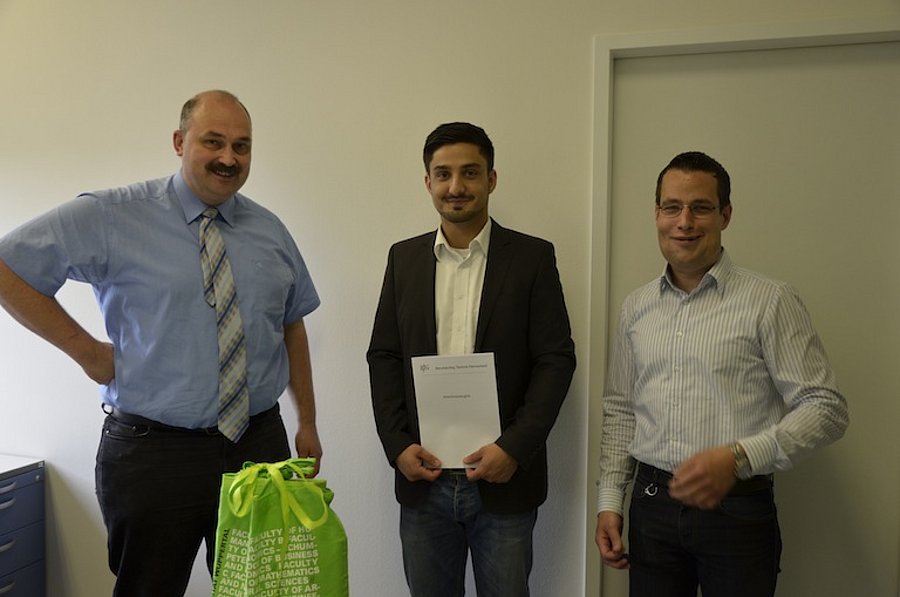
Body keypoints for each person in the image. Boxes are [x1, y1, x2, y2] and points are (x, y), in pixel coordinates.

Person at [0, 90, 322, 596]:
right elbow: (8, 268)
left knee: (263, 589)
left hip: (258, 445)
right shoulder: (113, 215)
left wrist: (308, 422)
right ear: (179, 141)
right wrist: (87, 353)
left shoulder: (270, 230)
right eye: (213, 141)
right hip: (154, 454)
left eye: (241, 146)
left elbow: (292, 323)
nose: (228, 157)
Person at [595, 151, 849, 596]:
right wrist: (610, 501)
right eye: (672, 207)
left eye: (701, 208)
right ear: (656, 213)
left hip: (737, 511)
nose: (684, 222)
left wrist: (738, 457)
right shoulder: (636, 307)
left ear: (725, 215)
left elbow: (826, 409)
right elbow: (621, 409)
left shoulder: (770, 300)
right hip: (651, 508)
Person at [367, 122, 576, 597]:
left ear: (491, 179)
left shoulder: (532, 258)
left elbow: (555, 360)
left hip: (504, 480)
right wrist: (398, 445)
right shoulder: (403, 259)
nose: (456, 186)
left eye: (470, 172)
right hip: (424, 478)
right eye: (443, 174)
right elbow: (383, 355)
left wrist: (514, 448)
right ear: (428, 182)